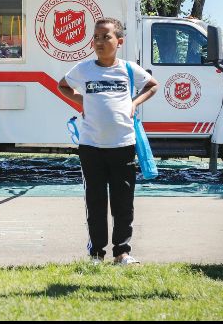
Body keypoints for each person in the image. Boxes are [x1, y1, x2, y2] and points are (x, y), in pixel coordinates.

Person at [58, 17, 159, 265]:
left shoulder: (127, 69)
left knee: (123, 202)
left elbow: (153, 85)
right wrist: (83, 102)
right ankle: (96, 253)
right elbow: (63, 86)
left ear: (119, 41)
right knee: (95, 201)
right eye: (96, 37)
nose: (99, 42)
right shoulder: (84, 69)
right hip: (91, 146)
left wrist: (134, 104)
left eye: (106, 37)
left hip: (123, 145)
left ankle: (122, 252)